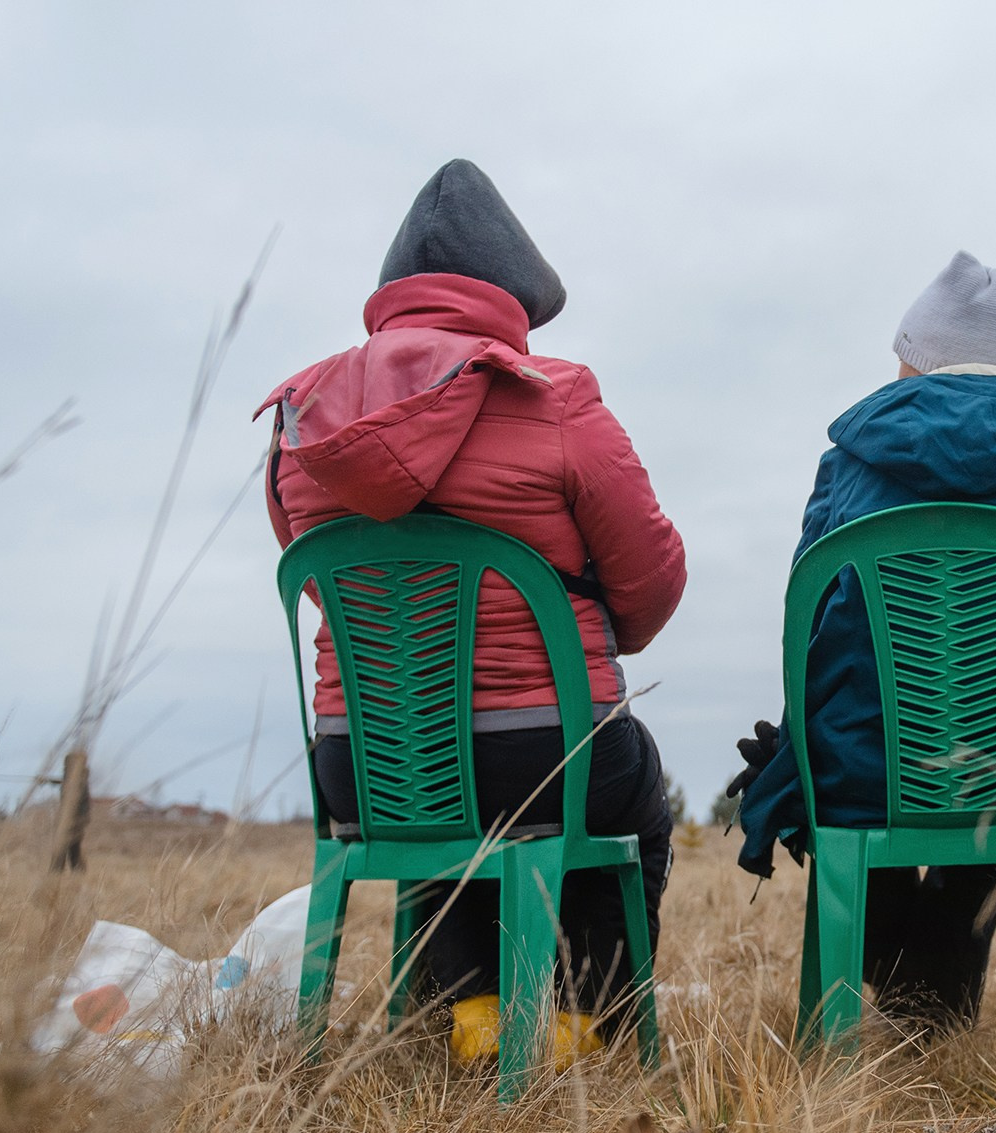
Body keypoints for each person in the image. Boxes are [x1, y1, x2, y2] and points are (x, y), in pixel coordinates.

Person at [259, 160, 686, 1069]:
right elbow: (650, 583)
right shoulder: (558, 399)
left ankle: (467, 1018)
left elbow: (322, 584)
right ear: (511, 298)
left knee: (437, 786)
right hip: (545, 750)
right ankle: (583, 1023)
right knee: (629, 788)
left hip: (364, 762)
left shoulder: (301, 419)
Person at [730, 251, 996, 1035]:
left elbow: (807, 623)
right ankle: (932, 1003)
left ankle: (917, 998)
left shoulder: (845, 468)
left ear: (919, 356)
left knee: (833, 784)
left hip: (864, 763)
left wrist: (802, 740)